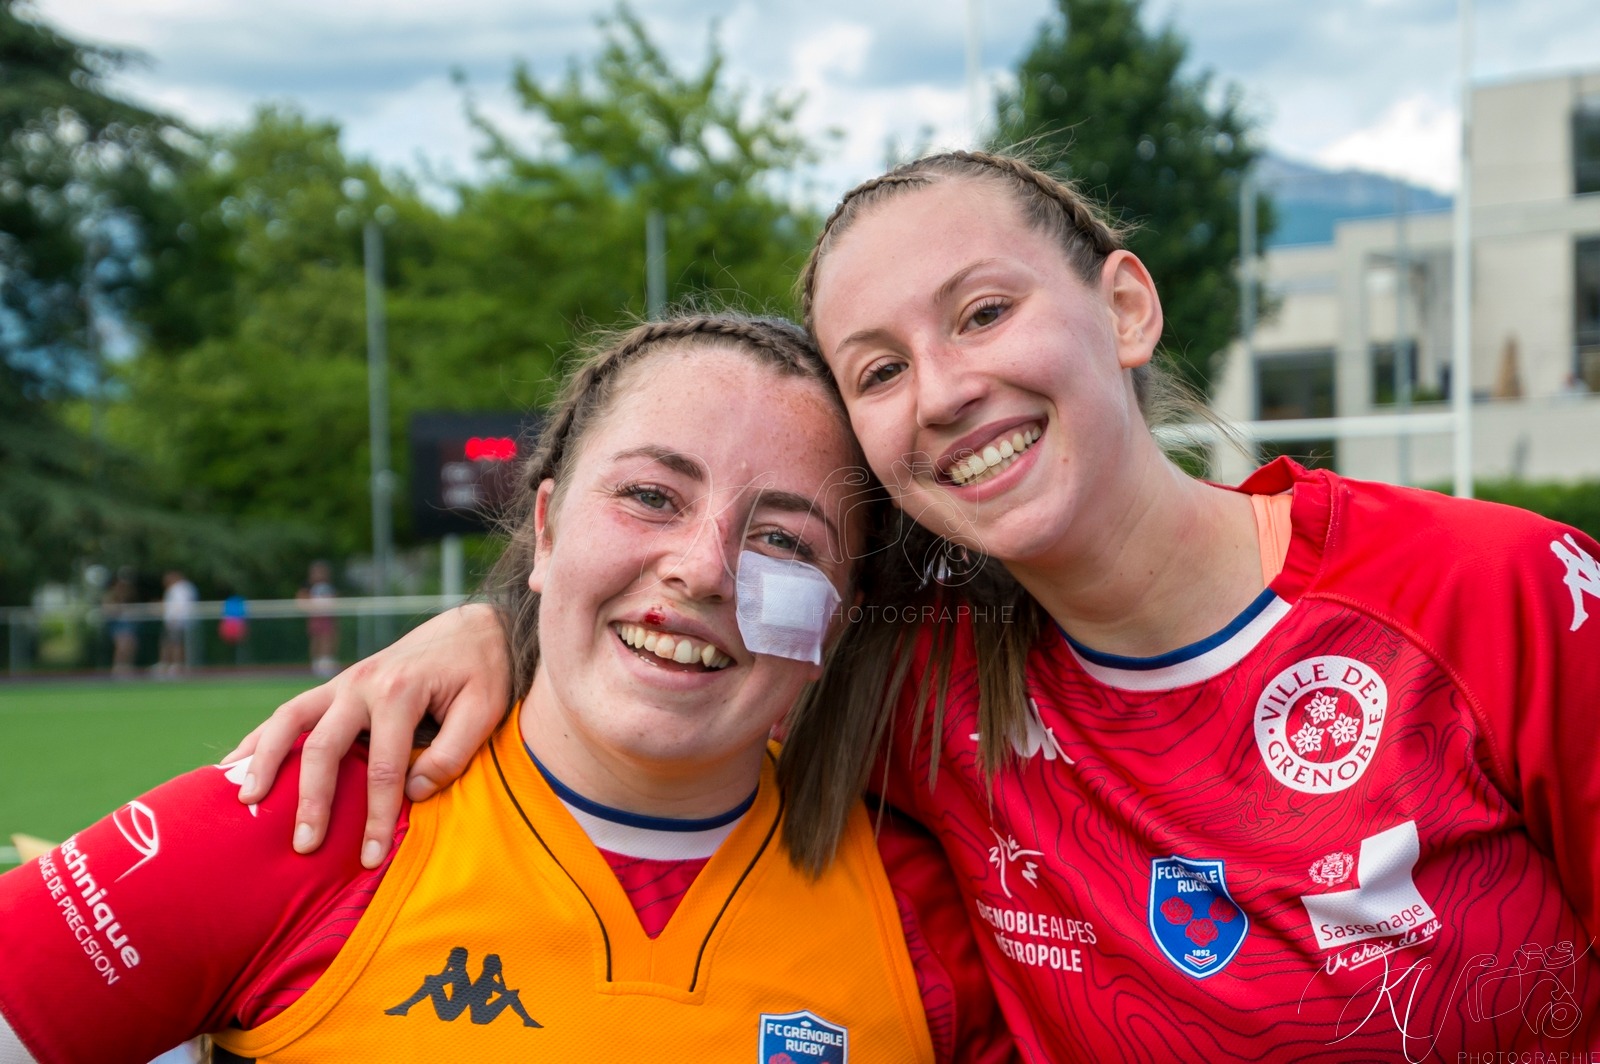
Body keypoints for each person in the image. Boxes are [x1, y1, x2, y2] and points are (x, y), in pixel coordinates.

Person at [237, 151, 1600, 1062]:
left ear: (1124, 304)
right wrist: (497, 624)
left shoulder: (1487, 592)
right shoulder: (911, 685)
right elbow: (665, 632)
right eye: (877, 370)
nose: (942, 390)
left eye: (984, 313)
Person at [0, 314, 1013, 1064]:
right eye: (650, 495)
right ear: (549, 524)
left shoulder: (929, 908)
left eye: (784, 539)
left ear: (839, 605)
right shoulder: (310, 809)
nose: (705, 568)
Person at [296, 561, 338, 677]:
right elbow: (301, 600)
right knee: (316, 640)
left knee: (328, 639)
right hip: (315, 617)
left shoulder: (329, 586)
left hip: (327, 617)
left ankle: (326, 663)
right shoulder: (307, 587)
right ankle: (316, 665)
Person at [156, 569, 198, 677]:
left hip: (177, 622)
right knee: (169, 643)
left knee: (175, 643)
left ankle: (176, 665)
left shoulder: (179, 589)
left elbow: (180, 606)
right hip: (177, 621)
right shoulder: (183, 588)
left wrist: (174, 619)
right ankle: (168, 664)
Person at [102, 568, 140, 678]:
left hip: (129, 625)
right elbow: (109, 610)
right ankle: (118, 668)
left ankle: (128, 668)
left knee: (131, 646)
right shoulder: (110, 597)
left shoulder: (129, 596)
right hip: (117, 626)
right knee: (122, 646)